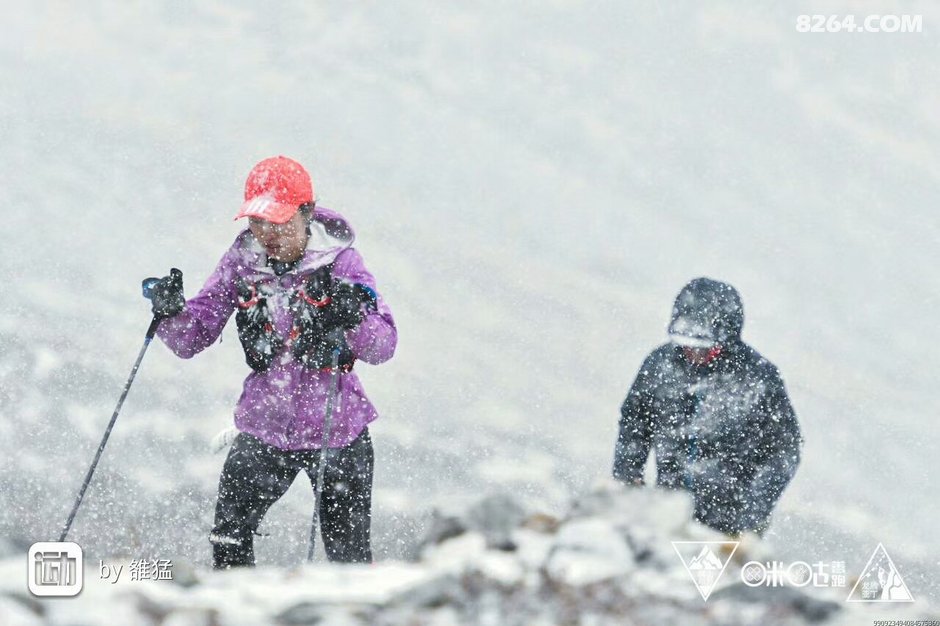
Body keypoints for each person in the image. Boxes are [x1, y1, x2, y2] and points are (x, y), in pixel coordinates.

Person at [146, 156, 397, 567]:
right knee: (228, 543)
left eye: (280, 221)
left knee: (350, 561)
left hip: (339, 431)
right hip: (262, 427)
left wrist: (356, 318)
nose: (267, 233)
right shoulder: (241, 263)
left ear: (307, 213)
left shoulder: (343, 264)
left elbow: (383, 346)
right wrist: (169, 314)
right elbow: (194, 336)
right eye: (259, 221)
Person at [612, 277, 801, 535]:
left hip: (731, 526)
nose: (693, 354)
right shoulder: (659, 366)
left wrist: (752, 513)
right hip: (667, 515)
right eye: (685, 344)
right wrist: (628, 477)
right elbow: (635, 421)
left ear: (726, 340)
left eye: (704, 348)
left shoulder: (758, 379)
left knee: (710, 576)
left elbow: (784, 451)